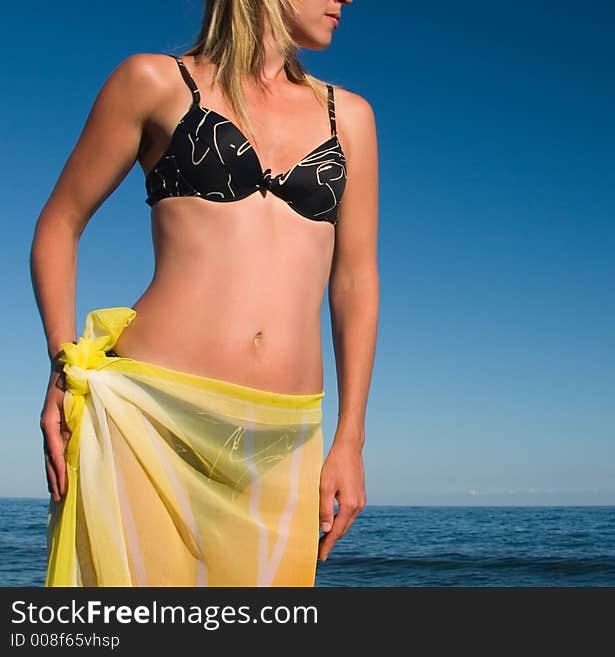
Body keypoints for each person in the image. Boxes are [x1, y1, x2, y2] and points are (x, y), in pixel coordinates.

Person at [29, 0, 377, 586]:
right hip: (149, 415)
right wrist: (64, 362)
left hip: (282, 432)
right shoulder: (153, 82)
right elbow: (58, 225)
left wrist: (350, 437)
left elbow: (356, 280)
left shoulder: (352, 116)